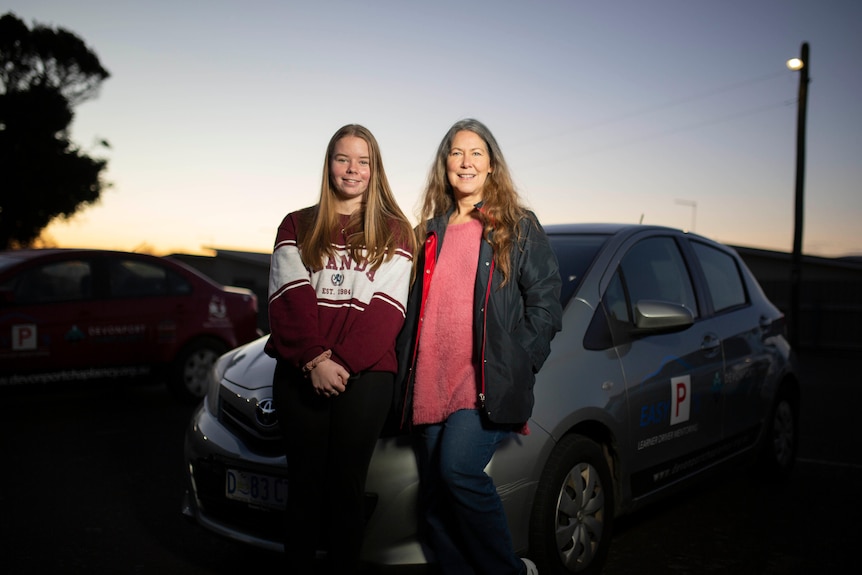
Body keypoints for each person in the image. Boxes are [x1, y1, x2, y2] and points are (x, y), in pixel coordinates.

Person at [396, 119, 563, 575]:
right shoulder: (429, 232)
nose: (465, 162)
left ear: (491, 166)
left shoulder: (517, 226)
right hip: (431, 380)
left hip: (482, 381)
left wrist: (520, 361)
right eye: (455, 153)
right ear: (444, 165)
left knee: (458, 472)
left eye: (475, 153)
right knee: (433, 505)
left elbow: (547, 302)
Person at [265, 124, 416, 574]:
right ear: (329, 164)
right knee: (304, 487)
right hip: (301, 371)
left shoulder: (396, 232)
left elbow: (388, 312)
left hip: (366, 376)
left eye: (363, 161)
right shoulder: (297, 224)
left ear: (375, 170)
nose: (352, 170)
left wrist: (342, 363)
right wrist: (314, 359)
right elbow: (288, 297)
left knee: (346, 489)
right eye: (342, 158)